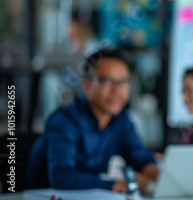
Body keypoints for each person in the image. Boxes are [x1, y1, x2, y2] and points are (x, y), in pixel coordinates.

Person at [26, 48, 159, 193]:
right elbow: (61, 177)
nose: (116, 90)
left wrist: (156, 174)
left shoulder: (121, 119)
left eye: (123, 82)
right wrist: (114, 185)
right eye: (108, 81)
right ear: (87, 84)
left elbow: (138, 154)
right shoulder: (64, 121)